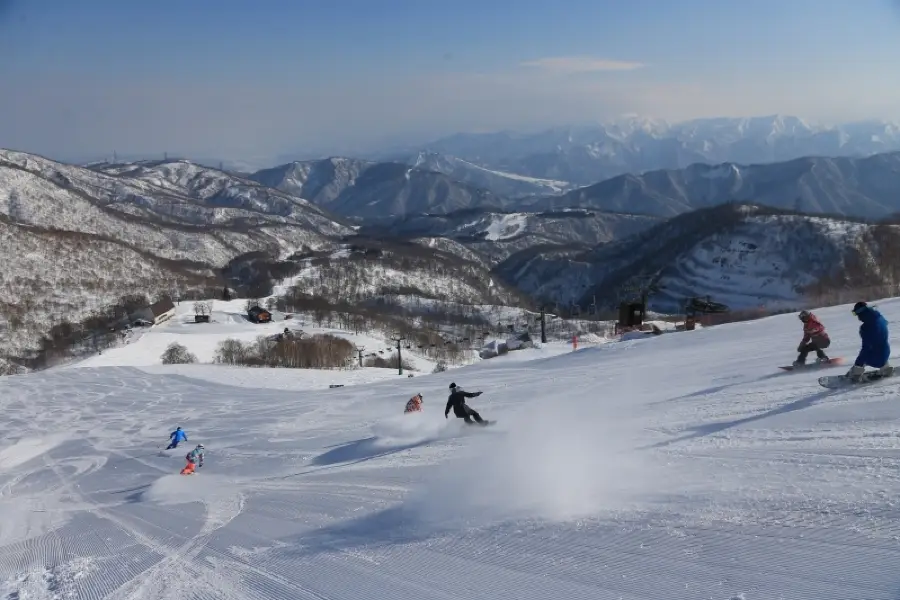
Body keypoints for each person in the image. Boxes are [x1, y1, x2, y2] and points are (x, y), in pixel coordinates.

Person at [846, 301, 893, 382]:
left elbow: (865, 349)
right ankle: (885, 368)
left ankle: (855, 375)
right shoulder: (879, 317)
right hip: (886, 352)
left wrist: (858, 365)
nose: (857, 317)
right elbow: (885, 323)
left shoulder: (867, 327)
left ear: (861, 313)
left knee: (864, 358)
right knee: (878, 346)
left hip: (877, 358)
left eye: (856, 314)